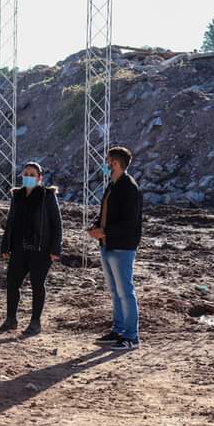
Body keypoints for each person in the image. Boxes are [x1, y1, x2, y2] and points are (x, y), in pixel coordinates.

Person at [88, 146, 143, 351]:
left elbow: (129, 223)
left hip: (122, 247)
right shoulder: (112, 185)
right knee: (115, 290)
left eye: (108, 161)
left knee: (125, 291)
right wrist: (96, 227)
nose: (105, 164)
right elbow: (106, 212)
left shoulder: (129, 187)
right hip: (108, 244)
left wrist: (105, 231)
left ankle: (131, 336)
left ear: (116, 164)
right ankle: (118, 330)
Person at [0, 162, 63, 336]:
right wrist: (5, 244)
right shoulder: (17, 195)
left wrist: (55, 248)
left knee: (37, 284)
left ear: (39, 178)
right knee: (12, 283)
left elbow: (56, 224)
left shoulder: (47, 196)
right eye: (26, 173)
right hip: (19, 247)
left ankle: (35, 322)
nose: (28, 177)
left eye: (32, 174)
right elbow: (11, 221)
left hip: (41, 249)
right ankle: (11, 319)